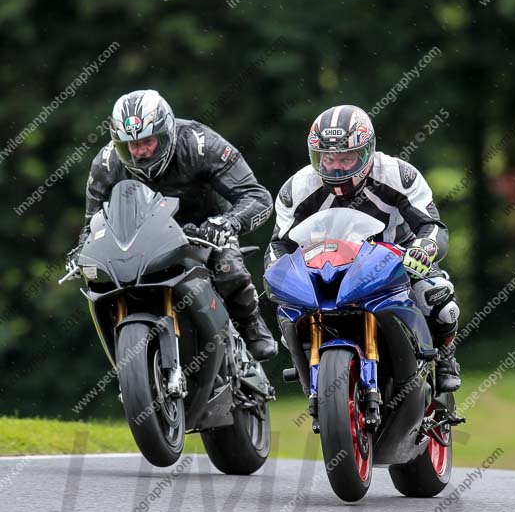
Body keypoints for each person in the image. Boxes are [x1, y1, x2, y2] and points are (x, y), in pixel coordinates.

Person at [68, 89, 277, 360]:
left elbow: (257, 196)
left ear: (165, 132)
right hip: (143, 241)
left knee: (229, 269)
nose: (140, 152)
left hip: (203, 229)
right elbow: (92, 223)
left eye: (148, 141)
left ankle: (251, 327)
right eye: (131, 145)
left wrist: (229, 222)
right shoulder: (107, 163)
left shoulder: (200, 143)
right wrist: (81, 251)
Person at [265, 104, 461, 392]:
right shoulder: (296, 188)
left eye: (346, 158)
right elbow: (278, 243)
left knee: (439, 299)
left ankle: (445, 356)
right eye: (327, 158)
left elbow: (432, 225)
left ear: (368, 151)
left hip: (395, 258)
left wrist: (424, 248)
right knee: (287, 311)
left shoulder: (398, 175)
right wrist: (276, 272)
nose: (335, 167)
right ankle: (308, 367)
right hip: (327, 265)